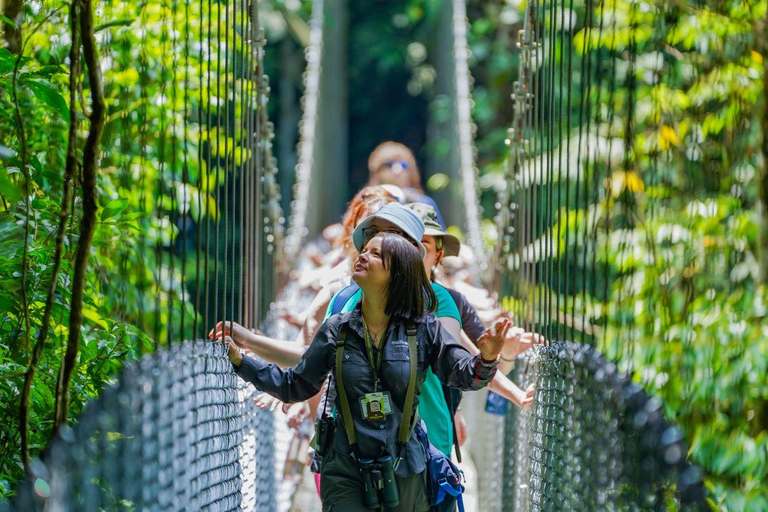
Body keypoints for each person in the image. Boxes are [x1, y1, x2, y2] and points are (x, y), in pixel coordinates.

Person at [220, 210, 509, 512]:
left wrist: (487, 356)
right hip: (345, 467)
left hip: (406, 466)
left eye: (376, 254)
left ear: (397, 272)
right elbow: (296, 386)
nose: (362, 256)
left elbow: (464, 376)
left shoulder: (424, 328)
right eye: (365, 249)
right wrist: (242, 363)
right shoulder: (336, 329)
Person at [366, 141, 446, 229]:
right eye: (389, 164)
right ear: (377, 173)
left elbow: (439, 239)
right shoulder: (368, 204)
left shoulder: (424, 204)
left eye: (403, 165)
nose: (397, 170)